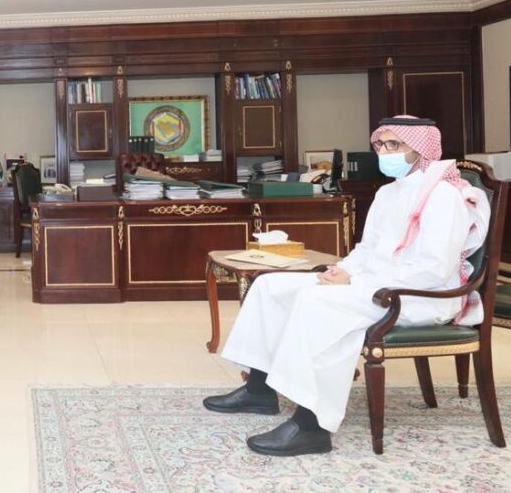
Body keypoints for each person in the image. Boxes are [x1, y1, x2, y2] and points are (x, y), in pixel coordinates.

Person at [204, 116, 490, 456]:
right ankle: (258, 390)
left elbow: (434, 269)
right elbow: (366, 250)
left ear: (419, 148)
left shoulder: (444, 196)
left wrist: (356, 280)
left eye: (394, 144)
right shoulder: (387, 193)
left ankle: (311, 426)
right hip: (371, 285)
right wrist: (342, 270)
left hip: (419, 296)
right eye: (381, 144)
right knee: (270, 286)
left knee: (318, 303)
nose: (384, 152)